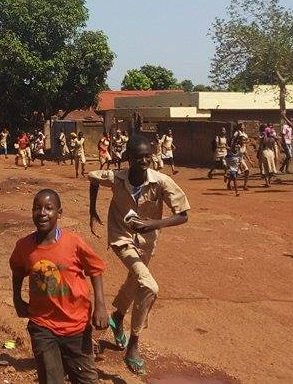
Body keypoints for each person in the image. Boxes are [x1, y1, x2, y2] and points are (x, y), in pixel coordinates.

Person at [88, 135, 191, 376]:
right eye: (139, 157)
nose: (144, 161)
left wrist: (154, 223)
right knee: (149, 285)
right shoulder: (116, 177)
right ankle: (134, 344)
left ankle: (118, 315)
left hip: (147, 242)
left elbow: (183, 214)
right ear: (128, 159)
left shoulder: (162, 182)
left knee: (135, 280)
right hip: (121, 237)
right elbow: (93, 177)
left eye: (148, 156)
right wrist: (92, 210)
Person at [10, 189, 108, 384]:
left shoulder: (73, 243)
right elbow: (18, 270)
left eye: (49, 208)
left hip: (76, 325)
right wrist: (17, 299)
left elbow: (95, 269)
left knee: (86, 379)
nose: (42, 213)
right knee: (51, 379)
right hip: (43, 325)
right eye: (37, 208)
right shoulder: (24, 246)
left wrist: (101, 306)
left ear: (59, 213)